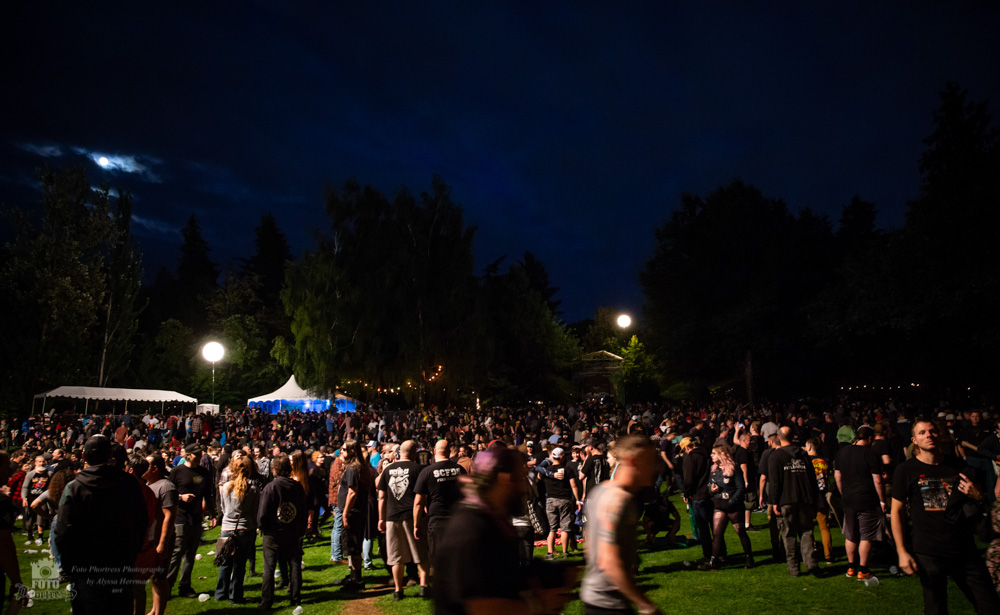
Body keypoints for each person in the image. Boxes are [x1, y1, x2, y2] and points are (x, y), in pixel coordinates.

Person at [434, 445, 572, 615]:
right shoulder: (470, 528)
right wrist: (538, 606)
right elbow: (479, 606)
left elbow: (503, 575)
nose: (523, 488)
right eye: (520, 478)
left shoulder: (493, 518)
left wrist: (556, 573)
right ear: (505, 479)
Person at [891, 419, 1000, 614]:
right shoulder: (905, 470)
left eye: (932, 431)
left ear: (939, 435)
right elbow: (897, 511)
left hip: (963, 548)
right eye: (923, 432)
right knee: (936, 608)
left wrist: (978, 495)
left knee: (990, 605)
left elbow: (976, 502)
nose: (928, 435)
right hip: (928, 551)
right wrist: (901, 551)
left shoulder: (959, 466)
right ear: (914, 440)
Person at [54, 435, 148, 615]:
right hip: (118, 562)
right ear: (109, 456)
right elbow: (141, 521)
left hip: (87, 566)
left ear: (84, 457)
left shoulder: (74, 488)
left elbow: (63, 531)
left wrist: (68, 565)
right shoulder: (128, 483)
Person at [581, 434, 663, 615]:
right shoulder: (619, 501)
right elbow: (609, 561)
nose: (655, 467)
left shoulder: (601, 491)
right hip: (608, 604)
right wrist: (645, 604)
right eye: (650, 461)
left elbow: (590, 547)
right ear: (634, 461)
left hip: (598, 599)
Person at [377, 440, 429, 600]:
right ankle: (424, 587)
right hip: (412, 516)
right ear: (414, 453)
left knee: (395, 556)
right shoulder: (419, 469)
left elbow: (382, 497)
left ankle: (398, 591)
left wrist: (381, 518)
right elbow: (423, 497)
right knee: (422, 554)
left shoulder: (387, 470)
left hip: (392, 517)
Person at [768, 426, 820, 577]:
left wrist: (774, 501)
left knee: (789, 534)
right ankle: (811, 564)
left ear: (778, 437)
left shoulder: (776, 456)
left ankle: (793, 567)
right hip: (805, 497)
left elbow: (775, 481)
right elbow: (812, 478)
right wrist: (814, 498)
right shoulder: (803, 454)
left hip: (787, 499)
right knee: (806, 532)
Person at [834, 425, 885, 581]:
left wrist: (843, 493)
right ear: (869, 439)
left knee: (850, 535)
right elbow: (877, 480)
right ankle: (863, 569)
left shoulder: (842, 452)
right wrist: (882, 500)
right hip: (867, 498)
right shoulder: (871, 454)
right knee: (866, 535)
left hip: (848, 498)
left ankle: (850, 567)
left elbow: (837, 476)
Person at [167, 442, 217, 598]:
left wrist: (213, 513)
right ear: (187, 455)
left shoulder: (203, 472)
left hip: (196, 518)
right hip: (181, 517)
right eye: (196, 454)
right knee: (177, 554)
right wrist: (181, 497)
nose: (200, 456)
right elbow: (168, 492)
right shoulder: (177, 471)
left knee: (190, 555)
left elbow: (208, 493)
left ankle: (185, 586)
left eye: (201, 453)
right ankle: (166, 587)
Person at [258, 453, 307, 609]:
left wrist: (263, 527)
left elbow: (263, 514)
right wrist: (301, 530)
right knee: (294, 565)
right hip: (292, 531)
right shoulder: (297, 487)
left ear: (274, 469)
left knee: (269, 567)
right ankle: (295, 597)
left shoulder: (270, 487)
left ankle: (267, 601)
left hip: (273, 533)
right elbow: (302, 511)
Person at [413, 439, 465, 566]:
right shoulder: (460, 470)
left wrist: (416, 524)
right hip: (457, 519)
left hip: (437, 520)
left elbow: (418, 502)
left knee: (438, 560)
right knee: (457, 559)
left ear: (435, 451)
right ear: (449, 452)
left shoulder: (427, 472)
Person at [215, 455, 260, 604]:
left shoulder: (226, 487)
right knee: (239, 565)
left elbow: (223, 507)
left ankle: (221, 593)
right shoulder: (253, 488)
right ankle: (235, 596)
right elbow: (255, 511)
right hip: (245, 528)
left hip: (227, 527)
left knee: (225, 562)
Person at [704, 445, 753, 570]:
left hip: (733, 506)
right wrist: (711, 489)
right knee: (717, 533)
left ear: (721, 455)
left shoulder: (734, 468)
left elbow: (740, 488)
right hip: (719, 505)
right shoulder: (714, 470)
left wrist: (732, 501)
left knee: (740, 531)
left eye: (714, 453)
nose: (711, 456)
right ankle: (713, 561)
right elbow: (709, 486)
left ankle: (749, 558)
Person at [337, 439, 376, 590]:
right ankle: (354, 576)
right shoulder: (361, 467)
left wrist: (345, 513)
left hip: (353, 512)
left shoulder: (352, 469)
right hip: (358, 511)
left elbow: (352, 493)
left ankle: (357, 580)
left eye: (344, 450)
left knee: (353, 547)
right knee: (353, 546)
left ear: (351, 452)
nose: (342, 452)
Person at [143, 453, 177, 615]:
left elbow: (169, 516)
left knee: (160, 576)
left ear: (155, 468)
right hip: (150, 539)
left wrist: (163, 543)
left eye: (146, 465)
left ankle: (160, 611)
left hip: (161, 539)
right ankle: (154, 610)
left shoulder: (165, 486)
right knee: (155, 577)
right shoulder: (149, 485)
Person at [537, 446, 579, 560]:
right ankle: (565, 552)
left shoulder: (547, 470)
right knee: (565, 527)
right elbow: (573, 485)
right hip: (564, 499)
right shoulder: (567, 470)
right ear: (561, 457)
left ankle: (550, 552)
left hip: (550, 500)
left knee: (552, 528)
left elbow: (538, 475)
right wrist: (578, 499)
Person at [0, 450, 26, 614]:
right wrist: (17, 581)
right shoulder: (1, 501)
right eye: (6, 466)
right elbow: (3, 544)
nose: (10, 470)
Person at [681, 436, 713, 564]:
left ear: (688, 447)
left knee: (703, 528)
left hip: (697, 495)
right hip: (709, 494)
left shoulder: (692, 458)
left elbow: (688, 480)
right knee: (714, 526)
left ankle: (708, 555)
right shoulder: (707, 455)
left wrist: (686, 493)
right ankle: (720, 553)